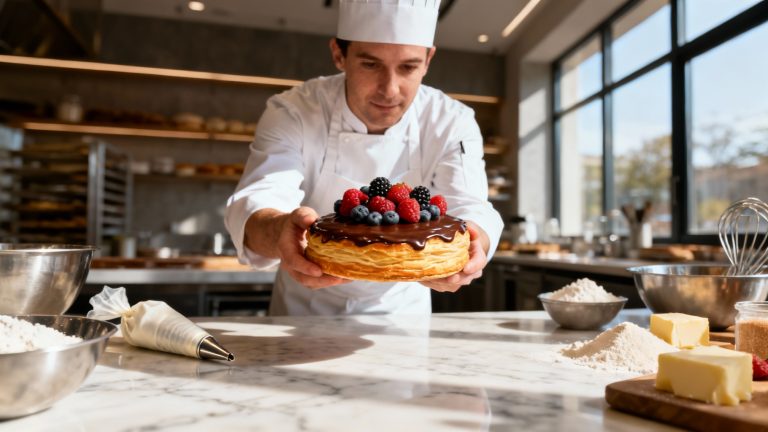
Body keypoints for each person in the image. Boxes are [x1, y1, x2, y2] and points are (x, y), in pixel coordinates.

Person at [225, 0, 503, 316]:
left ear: (428, 60)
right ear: (338, 54)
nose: (390, 89)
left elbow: (471, 207)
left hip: (402, 317)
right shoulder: (294, 110)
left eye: (408, 67)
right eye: (370, 65)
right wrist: (280, 233)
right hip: (302, 314)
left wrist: (473, 249)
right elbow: (259, 200)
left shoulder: (452, 120)